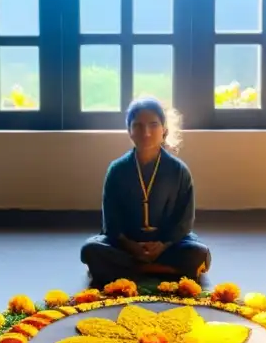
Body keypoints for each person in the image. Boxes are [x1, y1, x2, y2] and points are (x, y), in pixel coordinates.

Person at [81, 98, 210, 287]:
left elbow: (184, 221)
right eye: (138, 126)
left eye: (153, 125)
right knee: (90, 250)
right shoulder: (117, 170)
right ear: (129, 131)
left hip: (168, 245)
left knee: (198, 252)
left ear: (164, 130)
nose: (146, 132)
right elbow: (111, 221)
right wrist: (130, 245)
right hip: (126, 245)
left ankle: (131, 270)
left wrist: (163, 245)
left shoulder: (179, 170)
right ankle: (161, 270)